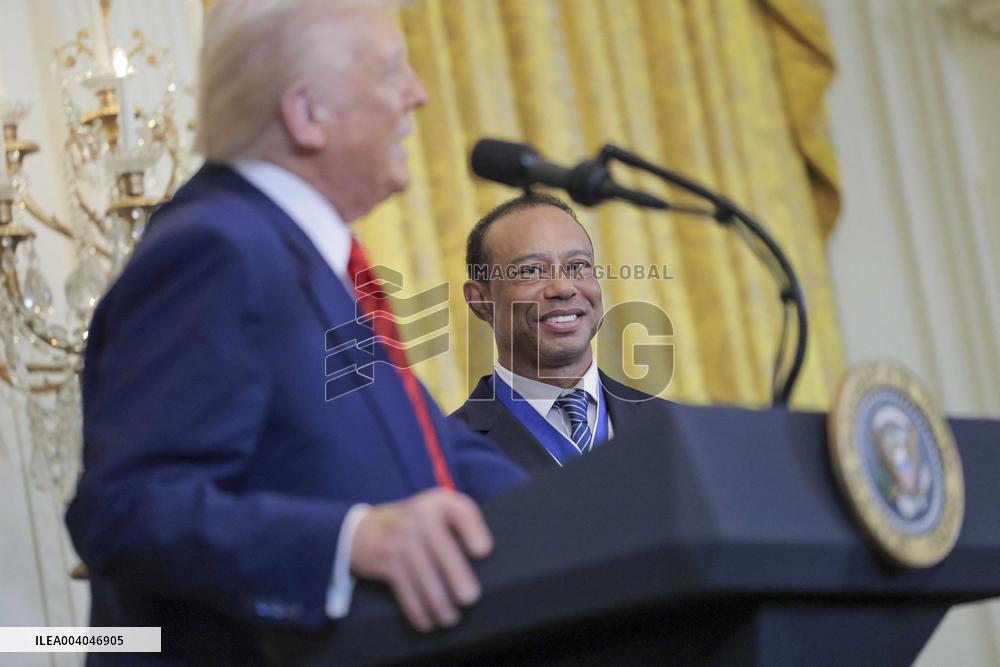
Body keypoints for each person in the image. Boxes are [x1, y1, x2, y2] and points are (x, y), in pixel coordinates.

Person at [65, 1, 526, 663]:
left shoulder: (309, 260)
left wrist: (589, 508)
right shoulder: (216, 248)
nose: (418, 95)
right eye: (391, 72)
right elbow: (125, 508)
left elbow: (428, 450)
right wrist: (350, 541)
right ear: (307, 114)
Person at [451, 193, 670, 476]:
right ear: (481, 300)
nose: (563, 288)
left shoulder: (674, 426)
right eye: (531, 270)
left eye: (577, 266)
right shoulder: (446, 452)